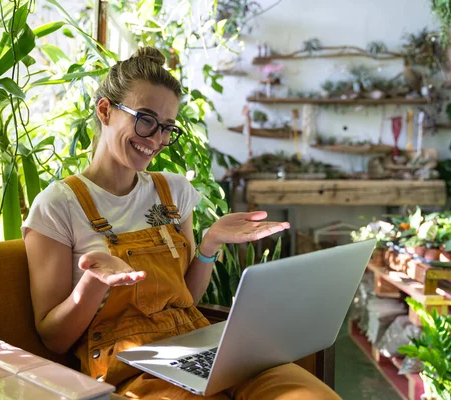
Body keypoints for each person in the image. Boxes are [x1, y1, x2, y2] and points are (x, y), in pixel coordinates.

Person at [22, 46, 340, 400]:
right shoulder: (57, 204)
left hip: (198, 346)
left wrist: (209, 246)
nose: (156, 139)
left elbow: (186, 297)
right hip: (132, 368)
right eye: (145, 119)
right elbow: (53, 337)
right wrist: (94, 283)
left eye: (167, 128)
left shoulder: (173, 190)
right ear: (105, 111)